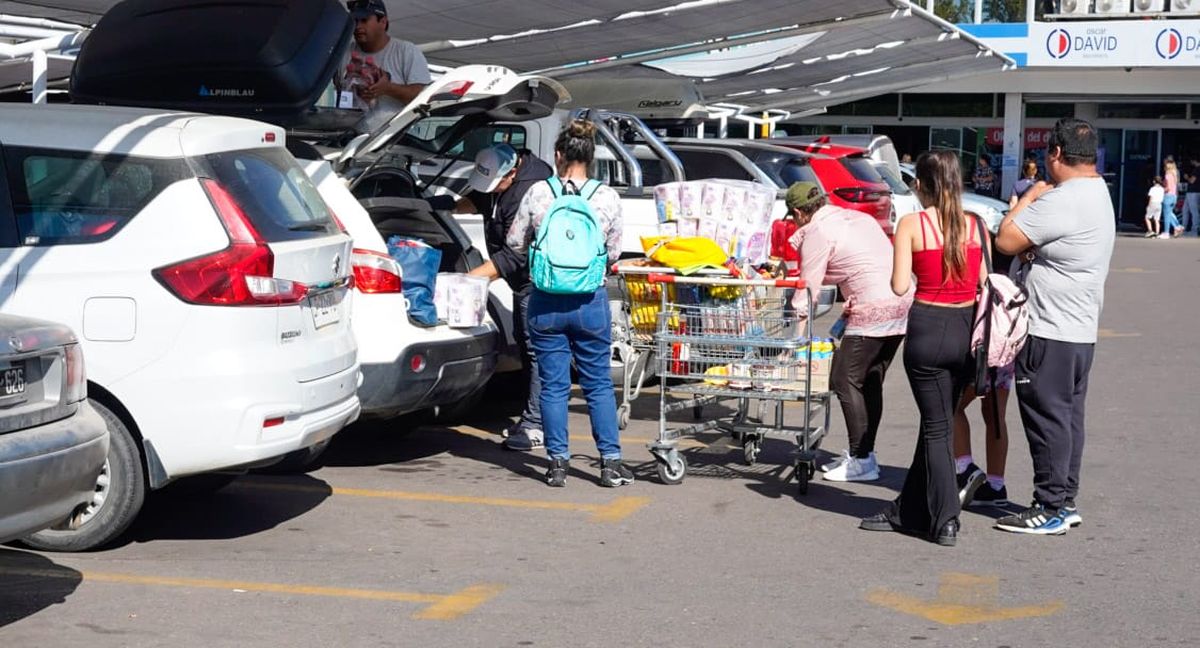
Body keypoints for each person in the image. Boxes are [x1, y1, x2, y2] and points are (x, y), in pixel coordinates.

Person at [994, 117, 1115, 535]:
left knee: (1046, 418)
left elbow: (1006, 239)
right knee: (1067, 418)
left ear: (1057, 154)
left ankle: (1049, 505)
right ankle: (1064, 499)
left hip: (1050, 328)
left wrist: (1029, 197)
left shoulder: (1062, 199)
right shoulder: (1098, 191)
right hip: (1079, 329)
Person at [859, 150, 987, 547]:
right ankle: (909, 509)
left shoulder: (912, 224)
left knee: (936, 427)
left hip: (928, 329)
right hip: (965, 331)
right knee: (938, 421)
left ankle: (946, 518)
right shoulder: (975, 224)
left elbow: (899, 286)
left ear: (919, 185)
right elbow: (984, 281)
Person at [506, 119, 632, 488]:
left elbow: (515, 242)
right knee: (598, 385)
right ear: (591, 157)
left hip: (545, 300)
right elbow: (613, 251)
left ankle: (557, 464)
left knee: (553, 385)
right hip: (590, 300)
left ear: (558, 155)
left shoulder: (538, 193)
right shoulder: (606, 197)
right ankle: (610, 464)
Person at [781, 182, 913, 482]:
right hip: (901, 303)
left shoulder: (818, 231)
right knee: (871, 380)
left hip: (873, 306)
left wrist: (795, 341)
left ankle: (861, 459)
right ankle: (865, 454)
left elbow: (808, 289)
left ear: (799, 213)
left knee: (844, 378)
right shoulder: (856, 218)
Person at [457, 144, 554, 451]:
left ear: (512, 172)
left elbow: (515, 256)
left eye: (495, 183)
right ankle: (534, 417)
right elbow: (479, 200)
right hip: (521, 284)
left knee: (537, 353)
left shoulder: (529, 191)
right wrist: (441, 206)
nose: (490, 190)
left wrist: (469, 279)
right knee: (529, 350)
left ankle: (537, 425)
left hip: (534, 283)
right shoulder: (503, 183)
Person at [340, 0, 431, 133]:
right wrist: (355, 88)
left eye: (364, 20)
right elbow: (338, 91)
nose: (358, 26)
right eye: (355, 21)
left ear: (382, 22)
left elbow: (424, 98)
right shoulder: (344, 53)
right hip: (352, 137)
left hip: (394, 139)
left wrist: (387, 88)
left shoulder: (406, 51)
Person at [1161, 158, 1183, 239]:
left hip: (1168, 196)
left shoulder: (1168, 175)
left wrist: (1161, 190)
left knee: (1166, 215)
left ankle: (1166, 232)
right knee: (1170, 213)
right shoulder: (1175, 174)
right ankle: (1177, 226)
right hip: (1174, 196)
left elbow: (1168, 187)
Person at [1183, 158, 1200, 236]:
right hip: (1194, 192)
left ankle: (1194, 229)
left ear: (1195, 160)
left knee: (1193, 211)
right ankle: (1184, 228)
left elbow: (1192, 181)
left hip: (1193, 192)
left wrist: (1187, 177)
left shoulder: (1197, 169)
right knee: (1185, 210)